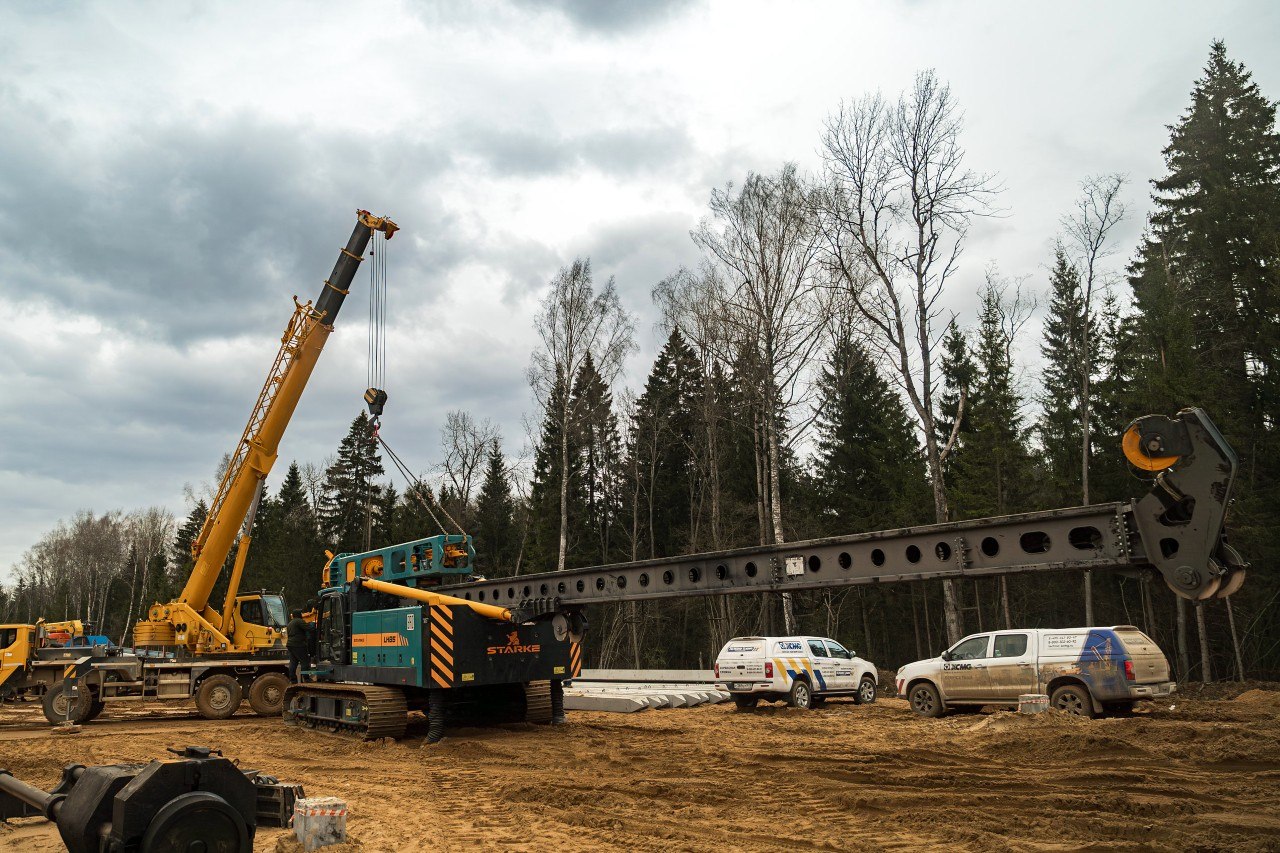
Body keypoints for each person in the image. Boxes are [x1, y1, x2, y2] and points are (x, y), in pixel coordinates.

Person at [286, 610, 310, 683]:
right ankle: (306, 679)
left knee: (293, 662)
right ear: (299, 614)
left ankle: (293, 680)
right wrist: (313, 625)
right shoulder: (299, 621)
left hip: (290, 644)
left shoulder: (290, 623)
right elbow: (308, 628)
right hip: (298, 644)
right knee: (304, 661)